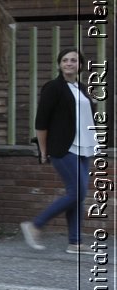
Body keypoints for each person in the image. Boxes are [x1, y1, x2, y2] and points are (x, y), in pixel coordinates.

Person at [22, 49, 98, 254]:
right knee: (77, 192)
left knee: (78, 194)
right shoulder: (53, 88)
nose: (69, 63)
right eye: (65, 60)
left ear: (80, 65)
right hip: (63, 148)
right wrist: (43, 151)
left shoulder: (81, 89)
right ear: (59, 65)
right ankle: (36, 224)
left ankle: (75, 243)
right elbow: (41, 122)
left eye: (74, 60)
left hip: (84, 147)